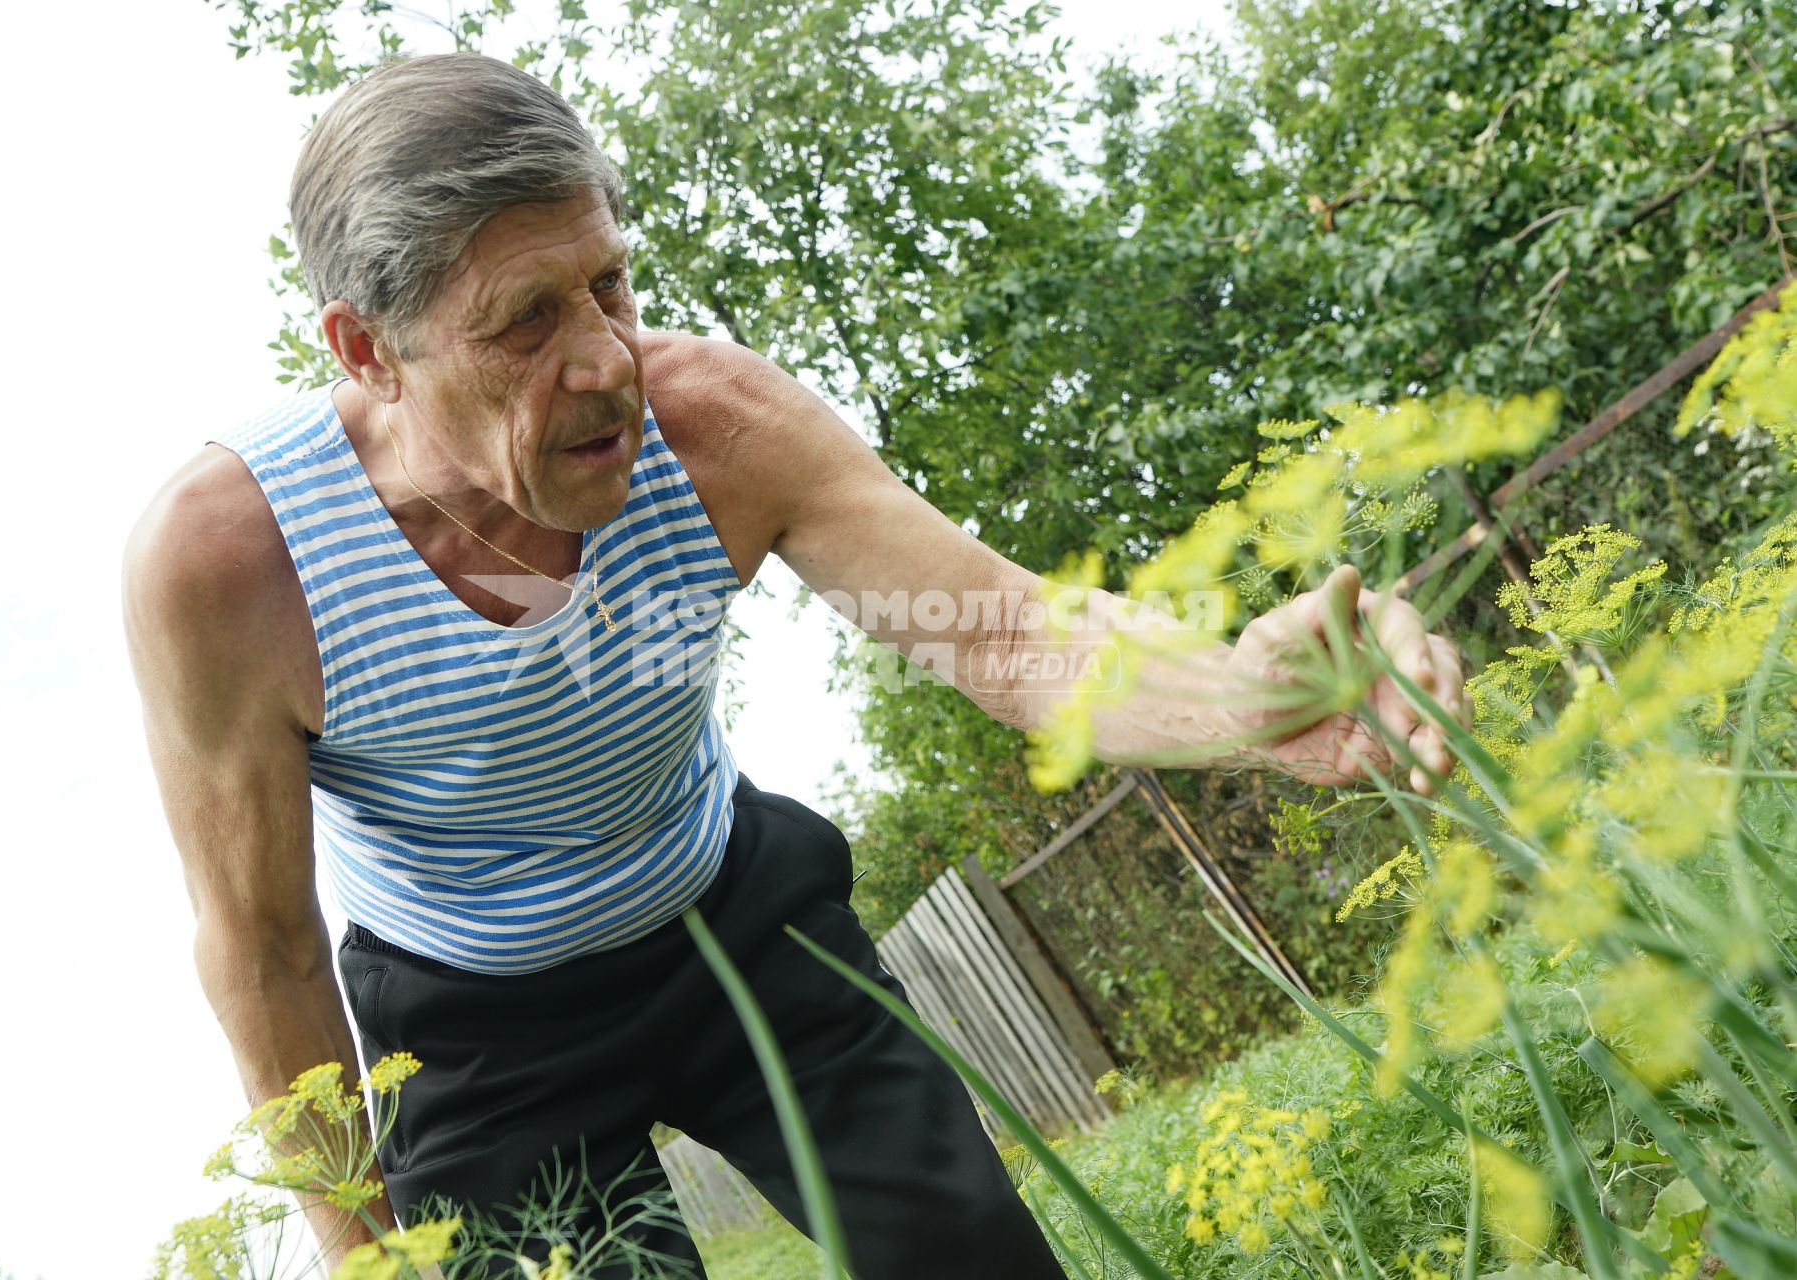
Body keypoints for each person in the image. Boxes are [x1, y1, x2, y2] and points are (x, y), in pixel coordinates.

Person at [121, 52, 1470, 1278]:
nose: (602, 362)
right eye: (524, 321)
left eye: (607, 284)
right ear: (367, 350)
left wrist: (1252, 695)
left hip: (730, 911)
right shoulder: (230, 566)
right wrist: (371, 1262)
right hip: (473, 1020)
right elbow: (264, 947)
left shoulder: (714, 428)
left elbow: (1000, 634)